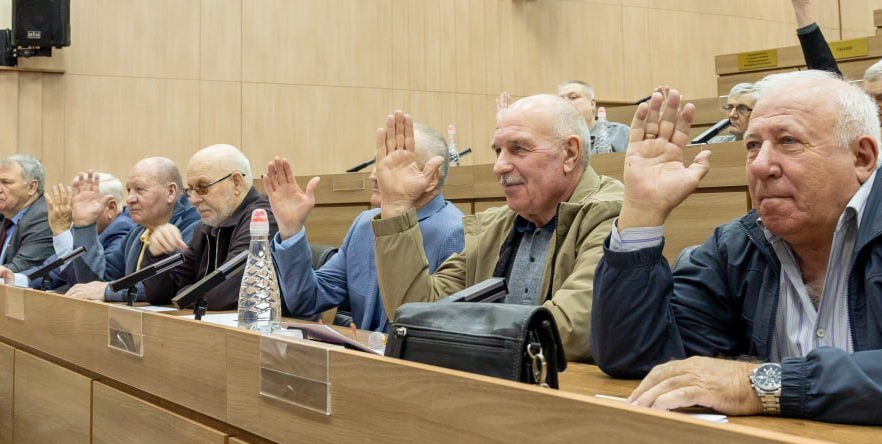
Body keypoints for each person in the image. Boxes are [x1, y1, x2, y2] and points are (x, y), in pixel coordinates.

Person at [590, 74, 882, 433]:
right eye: (753, 145)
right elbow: (639, 360)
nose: (760, 164)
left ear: (862, 158)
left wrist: (762, 385)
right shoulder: (737, 245)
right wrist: (641, 214)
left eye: (788, 142)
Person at [371, 95, 623, 361]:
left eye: (518, 149)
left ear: (570, 153)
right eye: (498, 151)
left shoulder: (611, 213)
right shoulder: (495, 225)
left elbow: (570, 330)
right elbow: (415, 313)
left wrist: (458, 328)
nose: (498, 166)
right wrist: (397, 208)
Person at [264, 125, 464, 331]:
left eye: (393, 165)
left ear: (431, 178)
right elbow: (307, 299)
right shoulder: (364, 224)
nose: (374, 175)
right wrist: (291, 229)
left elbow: (437, 328)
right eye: (378, 163)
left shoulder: (455, 232)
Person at [139, 144, 277, 309]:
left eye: (203, 187)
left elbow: (223, 296)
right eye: (190, 189)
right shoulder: (206, 226)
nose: (193, 199)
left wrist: (183, 293)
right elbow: (160, 295)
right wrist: (156, 254)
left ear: (236, 183)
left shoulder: (262, 218)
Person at [63, 158, 201, 301]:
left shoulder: (194, 226)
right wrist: (85, 225)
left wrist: (109, 291)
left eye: (139, 190)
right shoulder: (138, 232)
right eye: (129, 190)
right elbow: (95, 283)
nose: (129, 199)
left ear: (171, 192)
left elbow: (172, 287)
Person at [0, 172, 133, 291]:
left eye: (84, 205)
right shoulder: (85, 228)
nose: (73, 213)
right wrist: (14, 278)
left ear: (111, 208)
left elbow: (88, 281)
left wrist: (62, 232)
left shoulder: (124, 229)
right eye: (75, 205)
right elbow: (54, 268)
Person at [558, 80, 629, 153]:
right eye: (560, 100)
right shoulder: (555, 141)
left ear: (592, 104)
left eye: (573, 97)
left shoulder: (620, 133)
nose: (565, 103)